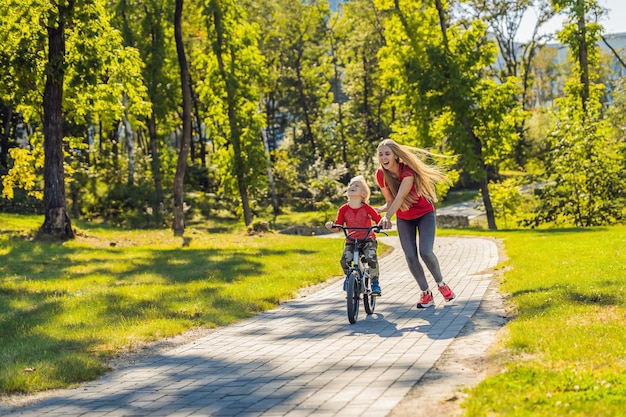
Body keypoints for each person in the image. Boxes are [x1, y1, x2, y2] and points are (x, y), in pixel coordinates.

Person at [375, 138, 455, 308]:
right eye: (380, 154)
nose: (383, 157)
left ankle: (442, 285)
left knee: (425, 252)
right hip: (404, 218)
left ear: (396, 155)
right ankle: (426, 294)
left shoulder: (408, 171)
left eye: (387, 153)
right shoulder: (381, 174)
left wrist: (388, 217)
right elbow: (391, 201)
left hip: (424, 214)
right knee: (410, 256)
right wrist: (381, 211)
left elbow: (401, 197)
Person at [325, 175, 383, 296]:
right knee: (344, 261)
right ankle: (349, 278)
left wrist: (381, 225)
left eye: (356, 185)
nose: (352, 186)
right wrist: (331, 226)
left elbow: (378, 220)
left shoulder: (367, 208)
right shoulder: (343, 209)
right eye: (351, 185)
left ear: (363, 194)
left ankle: (374, 282)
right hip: (352, 240)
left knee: (371, 257)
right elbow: (339, 226)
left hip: (367, 239)